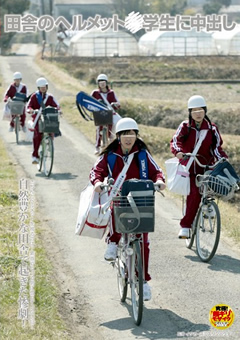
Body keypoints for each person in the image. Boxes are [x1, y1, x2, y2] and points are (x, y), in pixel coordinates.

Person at [89, 117, 166, 301]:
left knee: (144, 243)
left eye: (132, 134)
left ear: (136, 136)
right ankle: (113, 242)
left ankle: (144, 281)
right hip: (119, 197)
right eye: (125, 134)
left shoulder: (143, 154)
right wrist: (98, 182)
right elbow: (96, 171)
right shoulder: (110, 155)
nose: (128, 138)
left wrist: (160, 181)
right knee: (116, 209)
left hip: (141, 199)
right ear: (118, 137)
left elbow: (156, 171)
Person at [170, 95, 228, 239]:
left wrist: (222, 159)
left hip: (206, 165)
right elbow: (176, 141)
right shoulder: (185, 126)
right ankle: (186, 226)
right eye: (194, 110)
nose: (198, 113)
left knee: (215, 182)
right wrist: (179, 152)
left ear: (205, 111)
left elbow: (216, 147)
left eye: (200, 110)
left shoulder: (211, 128)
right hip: (189, 166)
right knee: (194, 194)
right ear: (190, 112)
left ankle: (208, 204)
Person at [27, 77, 60, 164]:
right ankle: (35, 155)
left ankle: (50, 143)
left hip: (48, 118)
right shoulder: (34, 96)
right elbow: (29, 106)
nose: (43, 88)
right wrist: (30, 110)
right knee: (37, 135)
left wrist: (58, 110)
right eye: (41, 87)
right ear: (38, 88)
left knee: (52, 127)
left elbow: (57, 105)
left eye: (44, 87)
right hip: (37, 118)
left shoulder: (50, 97)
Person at [91, 73, 120, 155]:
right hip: (99, 114)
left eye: (103, 82)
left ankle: (111, 143)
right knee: (99, 128)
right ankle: (97, 146)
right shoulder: (95, 93)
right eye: (100, 82)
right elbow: (90, 101)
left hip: (110, 113)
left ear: (106, 83)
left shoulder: (111, 93)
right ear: (98, 84)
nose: (102, 84)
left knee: (113, 127)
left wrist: (115, 104)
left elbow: (118, 103)